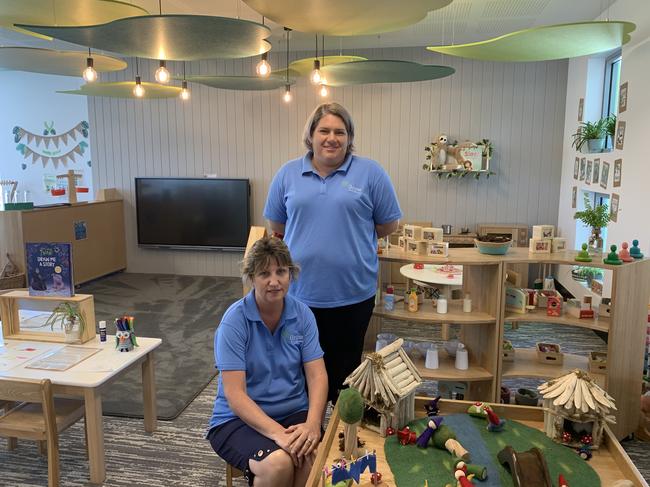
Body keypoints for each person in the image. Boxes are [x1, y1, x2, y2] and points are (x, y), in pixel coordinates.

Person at [264, 102, 402, 404]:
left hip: (353, 294)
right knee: (298, 370)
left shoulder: (370, 172)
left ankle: (340, 440)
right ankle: (308, 434)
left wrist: (350, 238)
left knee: (345, 375)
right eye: (324, 130)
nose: (331, 138)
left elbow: (388, 224)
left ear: (349, 137)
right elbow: (278, 224)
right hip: (300, 295)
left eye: (340, 131)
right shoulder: (287, 174)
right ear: (311, 135)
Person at [207, 236, 328, 487]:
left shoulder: (302, 314)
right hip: (236, 420)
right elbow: (235, 394)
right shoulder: (234, 322)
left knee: (313, 457)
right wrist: (277, 434)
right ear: (251, 278)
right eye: (264, 273)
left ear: (290, 274)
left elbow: (317, 376)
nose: (274, 281)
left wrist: (313, 424)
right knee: (278, 464)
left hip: (293, 411)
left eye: (281, 271)